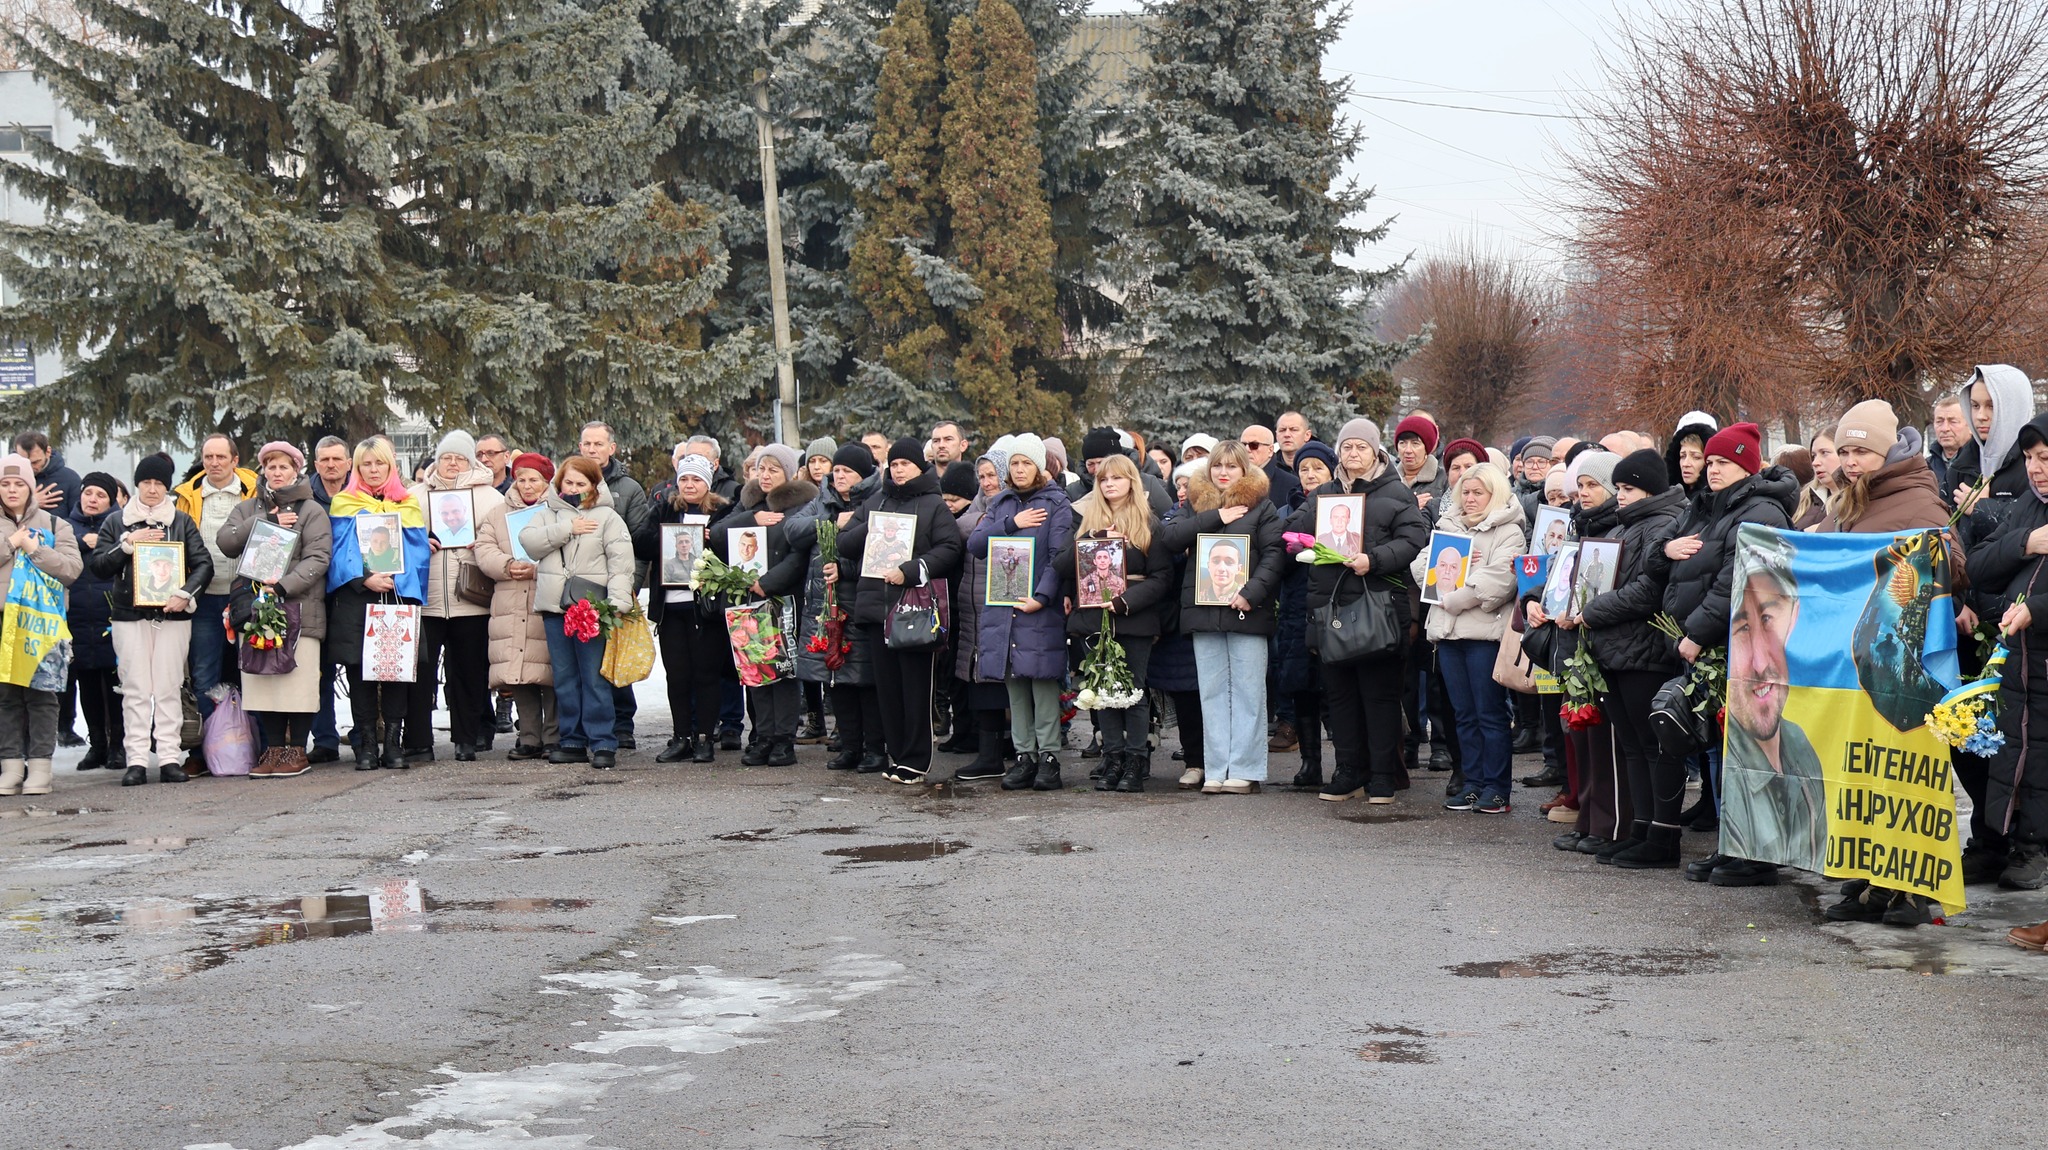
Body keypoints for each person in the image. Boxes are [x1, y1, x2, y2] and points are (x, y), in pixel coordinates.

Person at [1656, 422, 1799, 886]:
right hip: (1716, 644)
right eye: (1710, 462)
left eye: (1723, 462)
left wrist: (1696, 633)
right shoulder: (1712, 505)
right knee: (1723, 751)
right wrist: (1666, 549)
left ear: (1746, 467)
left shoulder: (1761, 511)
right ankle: (1732, 841)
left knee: (1749, 753)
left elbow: (1735, 581)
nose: (1712, 469)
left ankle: (1755, 853)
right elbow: (1671, 559)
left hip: (1742, 647)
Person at [1283, 422, 1427, 803]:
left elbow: (1413, 538)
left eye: (1361, 447)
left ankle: (1382, 775)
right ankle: (1348, 771)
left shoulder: (1395, 491)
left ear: (1375, 451)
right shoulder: (1325, 493)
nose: (1353, 454)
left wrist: (1373, 559)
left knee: (1380, 696)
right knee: (1340, 696)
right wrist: (1309, 525)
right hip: (1331, 608)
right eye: (1347, 447)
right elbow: (1291, 530)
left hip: (1379, 608)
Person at [1572, 448, 1689, 867]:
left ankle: (1663, 837)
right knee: (1633, 747)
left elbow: (1647, 591)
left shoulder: (1662, 523)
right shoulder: (1628, 524)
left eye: (1628, 488)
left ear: (1650, 490)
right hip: (1616, 648)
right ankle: (1641, 829)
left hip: (1645, 649)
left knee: (1655, 746)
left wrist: (1591, 611)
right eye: (1618, 487)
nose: (1620, 495)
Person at [833, 438, 964, 785]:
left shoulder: (933, 504)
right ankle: (897, 755)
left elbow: (950, 548)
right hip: (877, 608)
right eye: (893, 464)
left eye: (905, 464)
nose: (899, 470)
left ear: (919, 467)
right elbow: (844, 544)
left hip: (914, 609)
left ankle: (916, 760)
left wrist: (912, 569)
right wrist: (875, 527)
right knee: (887, 689)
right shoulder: (875, 501)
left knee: (915, 688)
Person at [1159, 440, 1285, 794]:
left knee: (1248, 693)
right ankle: (1216, 769)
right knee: (1212, 695)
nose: (1223, 472)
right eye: (1217, 465)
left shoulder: (1262, 507)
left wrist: (1251, 593)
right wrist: (1215, 516)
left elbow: (1275, 555)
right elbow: (1169, 538)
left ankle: (1245, 770)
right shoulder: (1195, 503)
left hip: (1247, 613)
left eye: (1231, 466)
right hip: (1203, 614)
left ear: (1244, 469)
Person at [1411, 462, 1525, 813]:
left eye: (1478, 492)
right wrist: (1453, 563)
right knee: (1463, 714)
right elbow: (1419, 567)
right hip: (1448, 635)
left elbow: (1501, 580)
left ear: (1495, 494)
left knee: (1489, 713)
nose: (1470, 498)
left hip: (1483, 637)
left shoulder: (1510, 530)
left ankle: (1497, 788)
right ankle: (1472, 783)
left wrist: (1455, 587)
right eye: (1466, 492)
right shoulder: (1448, 524)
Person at [92, 453, 212, 785]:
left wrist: (185, 593)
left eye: (159, 483)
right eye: (146, 482)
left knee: (169, 686)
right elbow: (99, 565)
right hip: (129, 616)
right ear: (137, 484)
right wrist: (127, 545)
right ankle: (137, 760)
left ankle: (170, 757)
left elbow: (203, 564)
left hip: (172, 616)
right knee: (135, 689)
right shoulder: (116, 521)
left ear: (167, 487)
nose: (153, 489)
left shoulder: (181, 521)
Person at [1055, 453, 1172, 792]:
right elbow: (1060, 565)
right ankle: (1113, 758)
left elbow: (1162, 577)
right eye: (1104, 479)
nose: (1109, 484)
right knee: (1101, 692)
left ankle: (1136, 760)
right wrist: (1090, 540)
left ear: (1131, 482)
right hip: (1093, 618)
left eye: (1117, 478)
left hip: (1134, 618)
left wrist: (1125, 601)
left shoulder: (1149, 524)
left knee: (1132, 691)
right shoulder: (1084, 521)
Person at [217, 442, 333, 777]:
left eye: (284, 467)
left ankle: (297, 750)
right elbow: (226, 542)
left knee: (298, 682)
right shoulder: (247, 508)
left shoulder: (311, 511)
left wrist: (283, 586)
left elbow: (318, 558)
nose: (277, 473)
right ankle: (273, 749)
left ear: (296, 470)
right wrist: (265, 520)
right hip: (257, 609)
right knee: (263, 681)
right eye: (271, 467)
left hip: (299, 607)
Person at [965, 434, 1073, 791]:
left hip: (1038, 607)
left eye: (1027, 462)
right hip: (1003, 605)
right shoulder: (1001, 503)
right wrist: (1012, 523)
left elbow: (1059, 557)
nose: (1020, 469)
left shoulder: (1056, 502)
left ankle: (1049, 758)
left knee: (1041, 681)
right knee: (1014, 682)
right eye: (1014, 463)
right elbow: (976, 544)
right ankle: (1024, 756)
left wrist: (1041, 597)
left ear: (1039, 466)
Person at [522, 456, 636, 769]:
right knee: (564, 678)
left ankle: (602, 742)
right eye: (568, 482)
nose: (573, 488)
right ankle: (572, 740)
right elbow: (529, 543)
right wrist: (567, 528)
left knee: (594, 677)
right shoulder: (545, 514)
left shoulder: (608, 517)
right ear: (559, 482)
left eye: (581, 483)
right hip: (555, 608)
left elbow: (621, 564)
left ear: (594, 485)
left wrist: (617, 603)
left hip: (591, 608)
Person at [710, 443, 819, 768]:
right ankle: (764, 736)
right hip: (749, 602)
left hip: (782, 599)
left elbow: (799, 556)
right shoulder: (750, 502)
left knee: (782, 673)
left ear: (788, 473)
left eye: (773, 469)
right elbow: (717, 534)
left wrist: (768, 583)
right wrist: (750, 518)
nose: (766, 475)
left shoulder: (802, 504)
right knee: (756, 670)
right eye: (761, 469)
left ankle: (784, 740)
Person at [1719, 544, 1825, 872]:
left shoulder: (1803, 745)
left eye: (1768, 619)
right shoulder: (1737, 766)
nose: (1760, 662)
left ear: (1794, 618)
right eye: (1742, 629)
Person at [326, 438, 430, 772]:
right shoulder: (344, 503)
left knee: (397, 672)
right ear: (357, 468)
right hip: (359, 598)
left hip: (397, 596)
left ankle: (394, 745)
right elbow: (339, 553)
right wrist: (365, 578)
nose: (373, 470)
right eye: (366, 464)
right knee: (361, 674)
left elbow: (418, 553)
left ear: (391, 466)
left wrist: (398, 578)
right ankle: (367, 746)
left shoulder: (407, 503)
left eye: (379, 464)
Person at [402, 432, 505, 762]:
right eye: (447, 457)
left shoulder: (489, 497)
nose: (452, 463)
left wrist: (483, 541)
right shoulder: (414, 496)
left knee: (469, 673)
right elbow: (398, 537)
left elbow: (503, 538)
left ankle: (467, 739)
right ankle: (418, 740)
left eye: (460, 458)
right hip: (427, 598)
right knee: (420, 674)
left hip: (471, 599)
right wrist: (420, 540)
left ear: (471, 462)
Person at [172, 433, 258, 764]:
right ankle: (204, 751)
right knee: (203, 675)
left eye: (221, 457)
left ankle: (257, 747)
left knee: (253, 672)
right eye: (208, 457)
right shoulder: (186, 496)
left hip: (246, 595)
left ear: (235, 460)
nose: (214, 463)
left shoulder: (255, 491)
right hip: (204, 598)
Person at [0, 453, 82, 796]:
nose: (12, 490)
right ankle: (10, 768)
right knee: (6, 697)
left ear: (31, 487)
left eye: (19, 484)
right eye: (5, 484)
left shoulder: (54, 524)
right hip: (4, 621)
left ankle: (40, 769)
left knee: (41, 695)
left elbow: (72, 569)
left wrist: (35, 549)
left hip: (41, 623)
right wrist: (10, 544)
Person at [643, 454, 733, 765]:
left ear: (707, 483)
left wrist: (711, 538)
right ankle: (681, 737)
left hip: (705, 608)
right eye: (684, 479)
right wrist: (668, 537)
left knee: (706, 674)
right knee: (677, 675)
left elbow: (733, 547)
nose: (689, 485)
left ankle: (705, 738)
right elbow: (640, 541)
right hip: (670, 607)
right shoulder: (665, 508)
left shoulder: (722, 511)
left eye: (696, 479)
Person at [799, 444, 884, 773]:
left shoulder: (877, 501)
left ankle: (875, 749)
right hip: (830, 606)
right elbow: (792, 530)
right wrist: (831, 522)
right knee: (838, 680)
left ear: (863, 475)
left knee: (867, 681)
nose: (839, 476)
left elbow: (882, 553)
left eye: (847, 471)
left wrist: (844, 569)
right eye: (836, 470)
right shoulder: (823, 501)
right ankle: (850, 746)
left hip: (864, 603)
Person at [472, 452, 559, 761]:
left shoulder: (558, 511)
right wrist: (507, 565)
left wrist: (539, 569)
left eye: (534, 479)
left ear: (547, 482)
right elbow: (484, 548)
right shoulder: (498, 513)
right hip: (509, 600)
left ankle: (554, 736)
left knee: (550, 671)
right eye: (521, 479)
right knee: (519, 671)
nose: (527, 485)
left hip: (547, 597)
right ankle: (529, 736)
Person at [578, 423, 651, 751]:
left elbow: (640, 542)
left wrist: (630, 586)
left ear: (612, 448)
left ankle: (622, 724)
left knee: (617, 654)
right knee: (587, 658)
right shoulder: (569, 482)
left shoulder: (629, 488)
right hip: (580, 587)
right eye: (587, 443)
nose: (592, 449)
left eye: (598, 444)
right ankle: (587, 725)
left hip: (617, 586)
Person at [65, 473, 124, 772]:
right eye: (88, 493)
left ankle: (118, 745)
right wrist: (80, 542)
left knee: (114, 683)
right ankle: (97, 744)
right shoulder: (66, 526)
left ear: (111, 501)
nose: (92, 499)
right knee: (86, 681)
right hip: (77, 615)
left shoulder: (118, 525)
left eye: (100, 495)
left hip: (110, 614)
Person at [12, 432, 81, 521]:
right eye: (24, 462)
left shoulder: (70, 479)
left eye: (35, 462)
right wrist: (30, 503)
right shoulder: (6, 479)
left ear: (48, 452)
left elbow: (79, 520)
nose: (29, 467)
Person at [1393, 415, 1445, 514]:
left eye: (1415, 443)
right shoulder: (1388, 479)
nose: (1408, 450)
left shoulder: (1444, 480)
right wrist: (1410, 506)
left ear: (1426, 448)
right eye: (1402, 443)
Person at [1792, 431, 1837, 529]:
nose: (1815, 463)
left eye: (1824, 453)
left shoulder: (1860, 503)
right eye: (1813, 456)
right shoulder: (1803, 499)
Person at [1928, 395, 1968, 494]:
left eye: (1953, 422)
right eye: (1939, 422)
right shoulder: (1925, 468)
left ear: (1970, 426)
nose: (1945, 428)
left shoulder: (1984, 465)